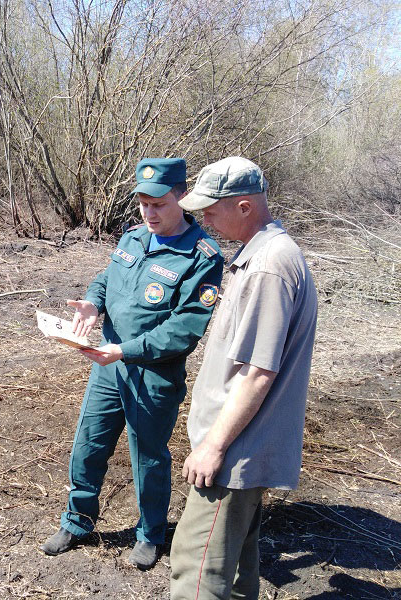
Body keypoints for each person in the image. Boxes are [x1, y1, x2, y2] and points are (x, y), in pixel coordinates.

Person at [40, 157, 224, 570]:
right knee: (88, 444)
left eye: (158, 204)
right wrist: (92, 303)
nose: (149, 213)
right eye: (143, 203)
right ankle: (77, 521)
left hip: (153, 374)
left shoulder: (202, 256)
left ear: (182, 197)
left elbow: (184, 329)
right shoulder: (133, 237)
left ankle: (150, 534)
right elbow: (107, 280)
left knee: (148, 457)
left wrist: (125, 350)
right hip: (108, 365)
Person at [169, 157, 318, 599]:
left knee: (198, 571)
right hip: (242, 447)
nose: (204, 220)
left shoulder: (269, 266)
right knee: (236, 569)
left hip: (233, 453)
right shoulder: (262, 254)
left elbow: (257, 373)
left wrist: (213, 446)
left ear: (245, 206)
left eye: (210, 210)